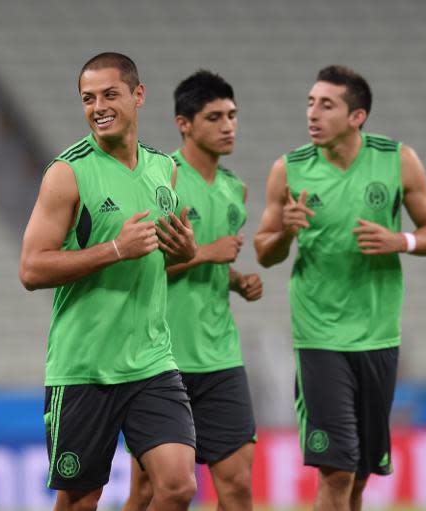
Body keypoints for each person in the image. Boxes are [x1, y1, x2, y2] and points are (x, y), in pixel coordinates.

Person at [254, 65, 426, 511]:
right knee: (336, 469)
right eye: (310, 103)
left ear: (357, 116)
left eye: (326, 105)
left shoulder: (397, 161)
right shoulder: (290, 169)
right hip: (319, 337)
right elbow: (265, 251)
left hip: (378, 336)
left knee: (359, 474)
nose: (313, 113)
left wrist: (402, 241)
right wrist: (285, 232)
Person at [19, 52, 198, 511]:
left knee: (178, 487)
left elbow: (164, 256)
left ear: (138, 96)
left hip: (152, 361)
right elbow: (31, 268)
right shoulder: (68, 173)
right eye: (88, 98)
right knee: (81, 500)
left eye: (110, 94)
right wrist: (114, 248)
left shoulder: (165, 168)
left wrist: (185, 253)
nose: (98, 106)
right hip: (84, 367)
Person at [123, 70, 262, 511]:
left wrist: (238, 281)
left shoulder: (234, 189)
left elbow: (218, 261)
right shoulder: (161, 180)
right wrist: (206, 253)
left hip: (220, 356)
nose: (228, 126)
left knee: (238, 489)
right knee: (149, 493)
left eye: (232, 115)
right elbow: (142, 267)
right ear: (184, 124)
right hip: (163, 360)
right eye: (214, 117)